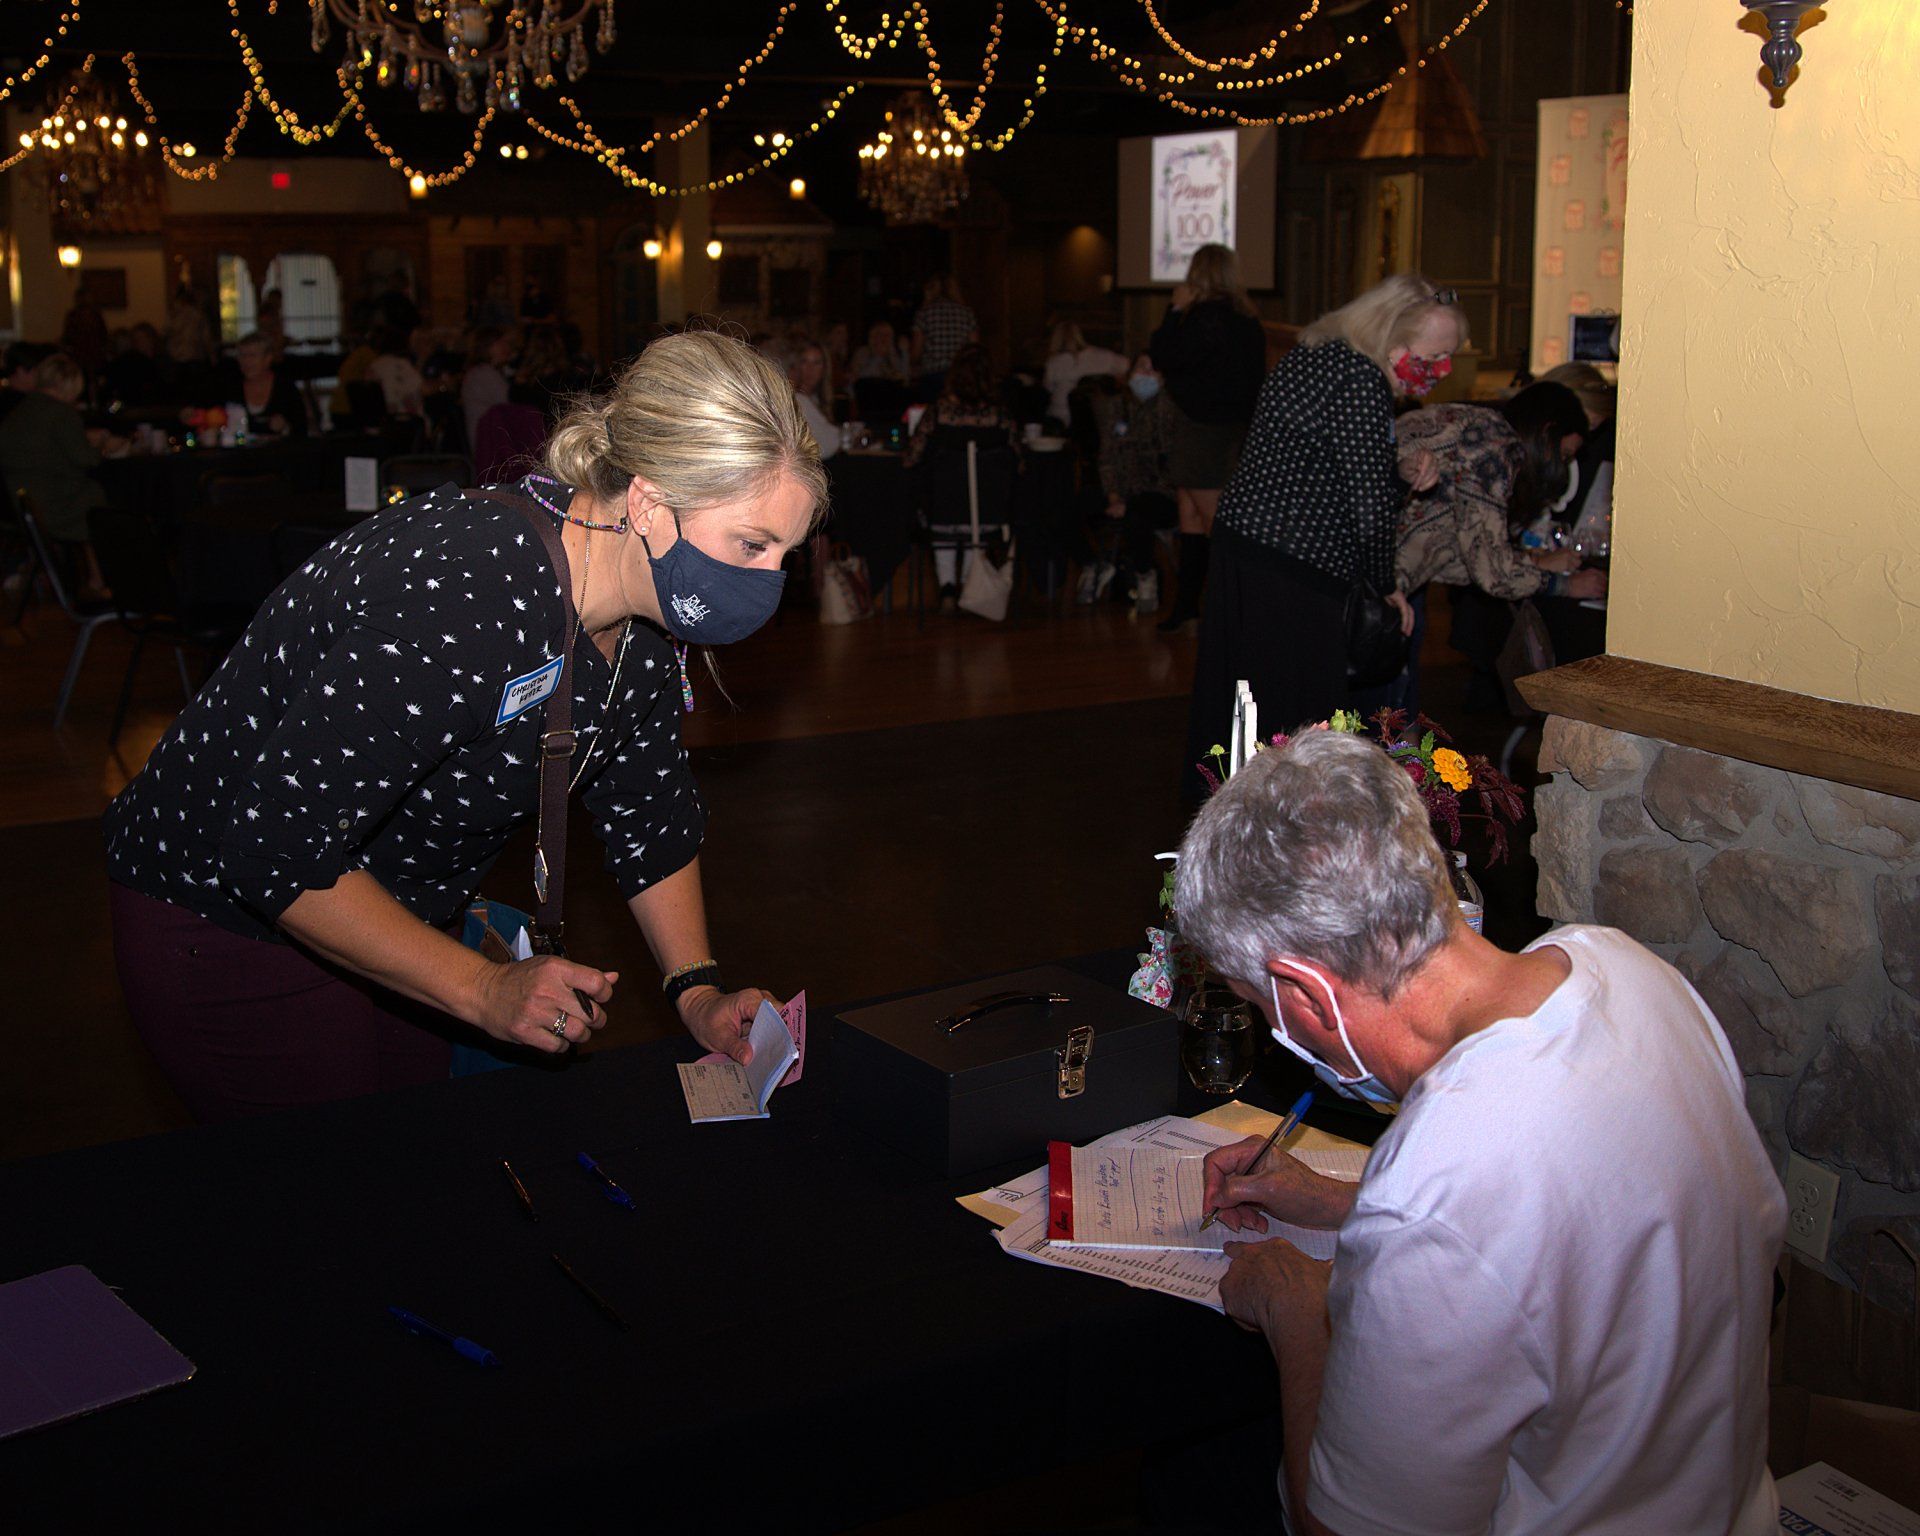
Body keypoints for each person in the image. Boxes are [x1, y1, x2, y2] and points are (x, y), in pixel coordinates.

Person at [102, 329, 825, 1122]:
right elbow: (276, 841)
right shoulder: (474, 588)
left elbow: (648, 816)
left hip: (391, 906)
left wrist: (696, 992)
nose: (768, 583)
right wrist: (484, 989)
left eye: (785, 555)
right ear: (650, 503)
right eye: (751, 544)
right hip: (226, 919)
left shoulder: (646, 618)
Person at [1174, 730, 1785, 1535]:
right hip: (1727, 1505)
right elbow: (1566, 1233)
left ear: (1308, 997)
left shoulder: (1438, 1184)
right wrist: (1333, 1202)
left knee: (1190, 1486)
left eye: (1261, 1007)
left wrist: (1295, 1318)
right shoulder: (1623, 969)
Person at [1184, 273, 1466, 801]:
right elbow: (1368, 502)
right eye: (1429, 360)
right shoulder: (1359, 376)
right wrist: (1387, 586)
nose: (1435, 374)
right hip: (1292, 565)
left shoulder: (1319, 355)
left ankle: (1233, 825)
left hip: (1252, 550)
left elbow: (1327, 460)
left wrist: (1397, 468)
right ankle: (1285, 830)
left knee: (1244, 705)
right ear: (1390, 335)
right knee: (1293, 713)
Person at [1385, 381, 1605, 714]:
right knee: (1384, 715)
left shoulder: (1479, 427)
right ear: (1547, 432)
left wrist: (1532, 562)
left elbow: (1462, 555)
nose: (1561, 468)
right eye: (1563, 455)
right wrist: (1565, 584)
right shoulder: (1496, 445)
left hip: (1371, 576)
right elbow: (1491, 574)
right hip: (1375, 583)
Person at [1147, 243, 1268, 631]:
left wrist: (1174, 310)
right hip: (1229, 427)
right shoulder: (1247, 319)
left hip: (1203, 427)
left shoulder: (1205, 318)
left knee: (1214, 521)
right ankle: (1188, 607)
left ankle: (1236, 608)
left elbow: (1164, 355)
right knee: (1191, 515)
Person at [903, 342, 1018, 607]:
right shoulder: (1001, 417)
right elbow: (1018, 464)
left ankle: (947, 587)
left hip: (941, 512)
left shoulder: (939, 413)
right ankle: (968, 581)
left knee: (947, 505)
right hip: (989, 515)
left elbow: (911, 458)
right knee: (972, 511)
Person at [0, 351, 116, 595]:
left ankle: (97, 576)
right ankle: (106, 577)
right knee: (100, 500)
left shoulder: (20, 411)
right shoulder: (62, 414)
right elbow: (85, 460)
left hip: (25, 503)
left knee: (90, 498)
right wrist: (104, 446)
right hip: (55, 504)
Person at [1090, 354, 1175, 616]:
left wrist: (1126, 502)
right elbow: (1108, 456)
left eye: (1153, 370)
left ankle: (1144, 574)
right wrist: (1114, 494)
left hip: (1159, 492)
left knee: (1138, 513)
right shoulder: (1116, 408)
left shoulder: (1170, 410)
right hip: (1121, 490)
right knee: (1075, 504)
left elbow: (1167, 462)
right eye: (1141, 368)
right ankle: (1092, 564)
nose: (1146, 375)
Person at [1041, 321, 1128, 428]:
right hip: (1099, 418)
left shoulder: (1053, 363)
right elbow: (1128, 366)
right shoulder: (1104, 356)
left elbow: (1048, 389)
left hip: (1063, 420)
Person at [223, 332, 308, 439]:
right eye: (242, 355)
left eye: (252, 356)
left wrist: (285, 427)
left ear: (268, 358)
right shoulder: (232, 388)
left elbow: (301, 429)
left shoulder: (285, 389)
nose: (246, 361)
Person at [909, 274, 979, 399]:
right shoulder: (967, 313)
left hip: (932, 376)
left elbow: (916, 352)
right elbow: (974, 349)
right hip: (959, 375)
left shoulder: (924, 313)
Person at [460, 326, 515, 451]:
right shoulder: (483, 373)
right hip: (488, 440)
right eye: (500, 343)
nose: (506, 348)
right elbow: (508, 402)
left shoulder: (493, 372)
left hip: (493, 435)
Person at [787, 340, 840, 461]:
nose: (810, 369)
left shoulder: (818, 399)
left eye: (816, 363)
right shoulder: (797, 400)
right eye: (804, 361)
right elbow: (826, 446)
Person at [367, 326, 425, 418]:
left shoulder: (374, 365)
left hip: (376, 421)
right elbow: (421, 388)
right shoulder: (401, 365)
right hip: (403, 421)